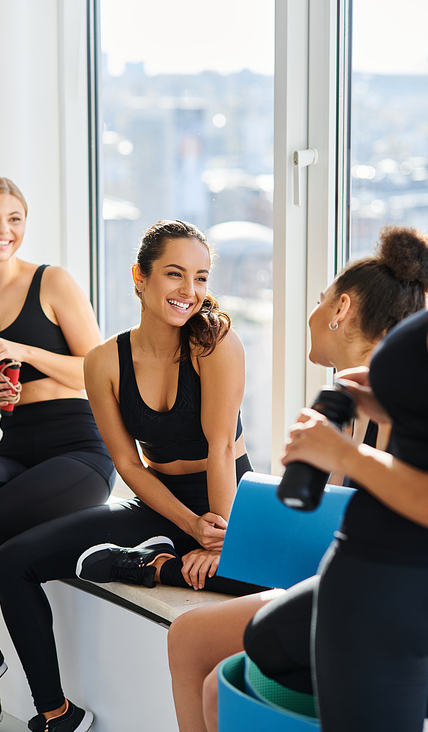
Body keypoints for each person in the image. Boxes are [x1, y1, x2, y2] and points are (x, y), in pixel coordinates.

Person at [0, 219, 273, 732]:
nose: (190, 291)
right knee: (13, 560)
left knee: (276, 581)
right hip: (160, 502)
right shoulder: (104, 362)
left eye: (201, 277)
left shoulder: (215, 343)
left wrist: (216, 537)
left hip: (229, 495)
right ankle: (54, 714)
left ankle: (149, 568)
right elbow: (127, 465)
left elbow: (221, 449)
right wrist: (188, 523)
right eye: (175, 274)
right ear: (140, 277)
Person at [169, 224, 428, 732]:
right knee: (214, 688)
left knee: (200, 648)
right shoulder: (370, 397)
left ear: (341, 309)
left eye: (319, 297)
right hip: (355, 581)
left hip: (387, 597)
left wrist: (343, 455)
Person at [0, 177, 115, 732]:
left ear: (25, 224)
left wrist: (23, 349)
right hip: (17, 445)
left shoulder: (52, 282)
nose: (2, 230)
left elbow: (99, 367)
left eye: (14, 218)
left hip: (80, 448)